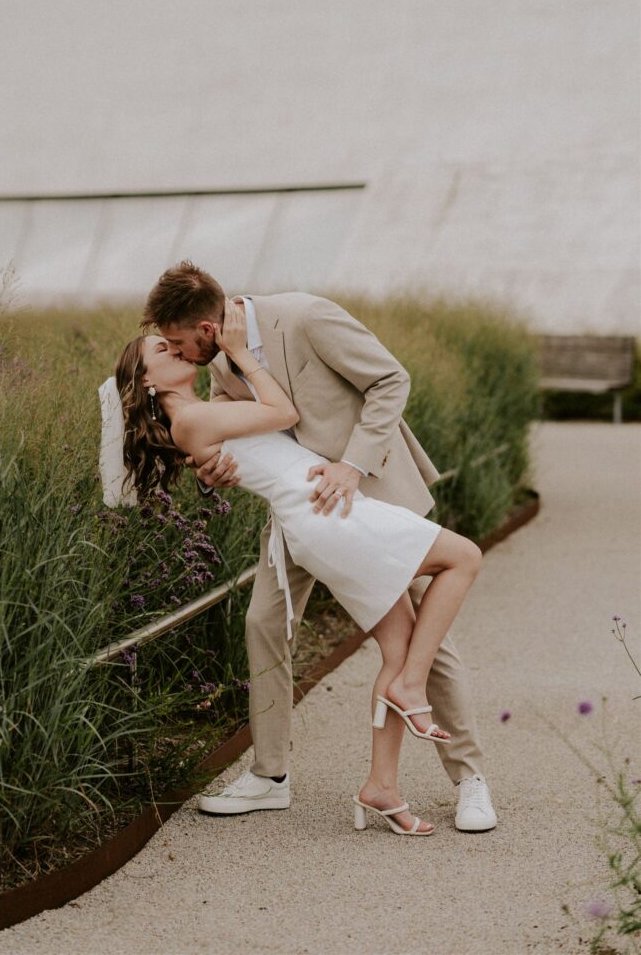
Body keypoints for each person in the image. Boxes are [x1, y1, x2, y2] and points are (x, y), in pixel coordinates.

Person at [107, 262, 497, 833]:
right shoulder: (218, 363)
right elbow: (233, 434)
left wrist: (350, 465)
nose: (183, 354)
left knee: (426, 646)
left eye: (181, 342)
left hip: (362, 492)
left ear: (207, 326)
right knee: (263, 623)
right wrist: (214, 471)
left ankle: (468, 779)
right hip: (297, 513)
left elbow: (391, 381)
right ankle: (270, 776)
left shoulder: (307, 316)